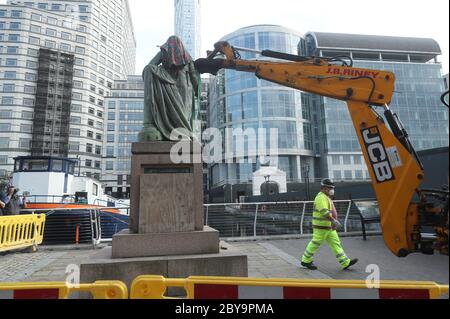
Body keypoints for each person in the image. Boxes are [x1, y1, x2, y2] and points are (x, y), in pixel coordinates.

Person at [139, 35, 200, 142]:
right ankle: (154, 125)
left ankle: (181, 130)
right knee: (150, 69)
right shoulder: (166, 53)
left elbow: (194, 77)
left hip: (183, 89)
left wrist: (197, 92)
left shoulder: (187, 57)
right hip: (170, 86)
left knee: (183, 113)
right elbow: (148, 68)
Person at [301, 179, 358, 270]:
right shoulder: (321, 197)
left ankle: (345, 262)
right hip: (321, 226)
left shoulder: (326, 197)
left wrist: (333, 222)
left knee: (335, 243)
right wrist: (333, 220)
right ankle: (305, 260)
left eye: (332, 188)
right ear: (324, 188)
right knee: (315, 243)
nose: (332, 190)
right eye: (330, 188)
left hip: (328, 227)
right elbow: (324, 212)